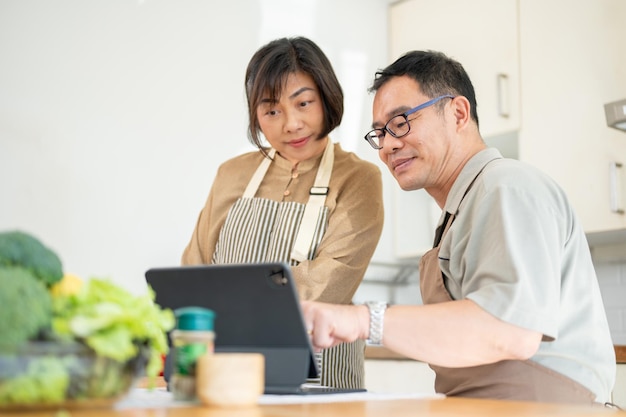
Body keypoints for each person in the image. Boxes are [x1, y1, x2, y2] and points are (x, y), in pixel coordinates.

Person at [301, 50, 617, 404]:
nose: (388, 144)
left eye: (401, 121)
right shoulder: (463, 208)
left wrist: (363, 321)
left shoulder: (507, 186)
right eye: (379, 133)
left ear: (458, 113)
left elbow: (510, 331)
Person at [181, 36, 384, 389]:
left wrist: (227, 310)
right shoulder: (231, 173)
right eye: (272, 111)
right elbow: (194, 272)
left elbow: (329, 283)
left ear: (326, 98)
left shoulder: (358, 179)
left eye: (304, 103)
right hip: (225, 372)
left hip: (322, 375)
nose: (291, 124)